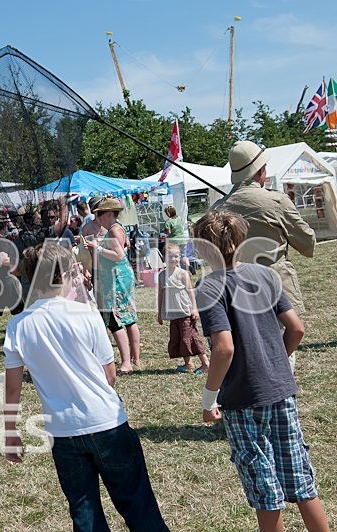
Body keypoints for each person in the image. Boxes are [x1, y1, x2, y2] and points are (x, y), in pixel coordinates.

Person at [3, 243, 167, 530]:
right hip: (107, 422)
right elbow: (109, 375)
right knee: (138, 504)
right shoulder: (87, 314)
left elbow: (13, 388)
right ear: (67, 274)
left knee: (84, 512)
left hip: (62, 431)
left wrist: (10, 431)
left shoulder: (18, 325)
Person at [194, 210, 329, 532]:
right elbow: (296, 328)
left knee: (263, 487)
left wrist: (209, 400)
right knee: (300, 477)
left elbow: (224, 348)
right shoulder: (265, 275)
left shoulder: (209, 286)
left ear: (203, 248)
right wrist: (275, 361)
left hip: (243, 398)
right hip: (281, 390)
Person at [213, 140, 316, 370]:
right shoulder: (276, 201)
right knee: (281, 356)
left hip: (235, 292)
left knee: (246, 355)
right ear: (260, 171)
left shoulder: (217, 209)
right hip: (276, 290)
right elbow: (307, 244)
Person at [84, 197, 141, 375]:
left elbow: (118, 255)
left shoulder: (115, 229)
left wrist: (97, 247)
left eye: (100, 213)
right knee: (119, 318)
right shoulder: (114, 229)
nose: (98, 217)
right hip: (114, 277)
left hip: (117, 279)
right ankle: (130, 359)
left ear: (109, 214)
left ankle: (127, 363)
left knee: (116, 319)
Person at [157, 243, 209, 374]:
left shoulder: (182, 274)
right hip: (172, 313)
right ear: (164, 257)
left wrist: (194, 308)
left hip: (185, 311)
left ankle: (205, 363)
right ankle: (188, 364)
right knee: (180, 339)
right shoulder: (161, 275)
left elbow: (191, 292)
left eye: (176, 256)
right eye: (170, 256)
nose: (174, 259)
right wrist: (159, 313)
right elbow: (161, 294)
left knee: (191, 338)